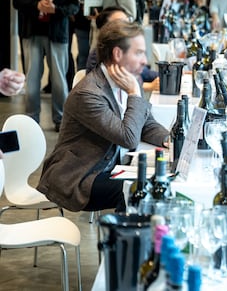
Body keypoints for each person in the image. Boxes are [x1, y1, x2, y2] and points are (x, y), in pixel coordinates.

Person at [37, 19, 169, 212]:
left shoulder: (131, 80)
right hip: (81, 175)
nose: (144, 61)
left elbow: (146, 123)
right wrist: (134, 94)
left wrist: (167, 139)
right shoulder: (89, 93)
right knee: (136, 189)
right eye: (139, 53)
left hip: (112, 165)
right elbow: (129, 138)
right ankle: (120, 231)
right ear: (118, 54)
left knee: (159, 180)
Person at [13, 0, 79, 132]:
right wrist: (36, 5)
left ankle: (61, 119)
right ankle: (31, 119)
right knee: (32, 78)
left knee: (59, 79)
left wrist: (56, 9)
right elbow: (17, 2)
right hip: (32, 32)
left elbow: (75, 6)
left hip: (58, 34)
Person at [85, 6, 160, 92]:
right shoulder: (98, 56)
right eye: (121, 22)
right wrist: (145, 87)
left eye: (128, 20)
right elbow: (101, 86)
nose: (127, 26)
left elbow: (147, 74)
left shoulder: (129, 53)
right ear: (106, 29)